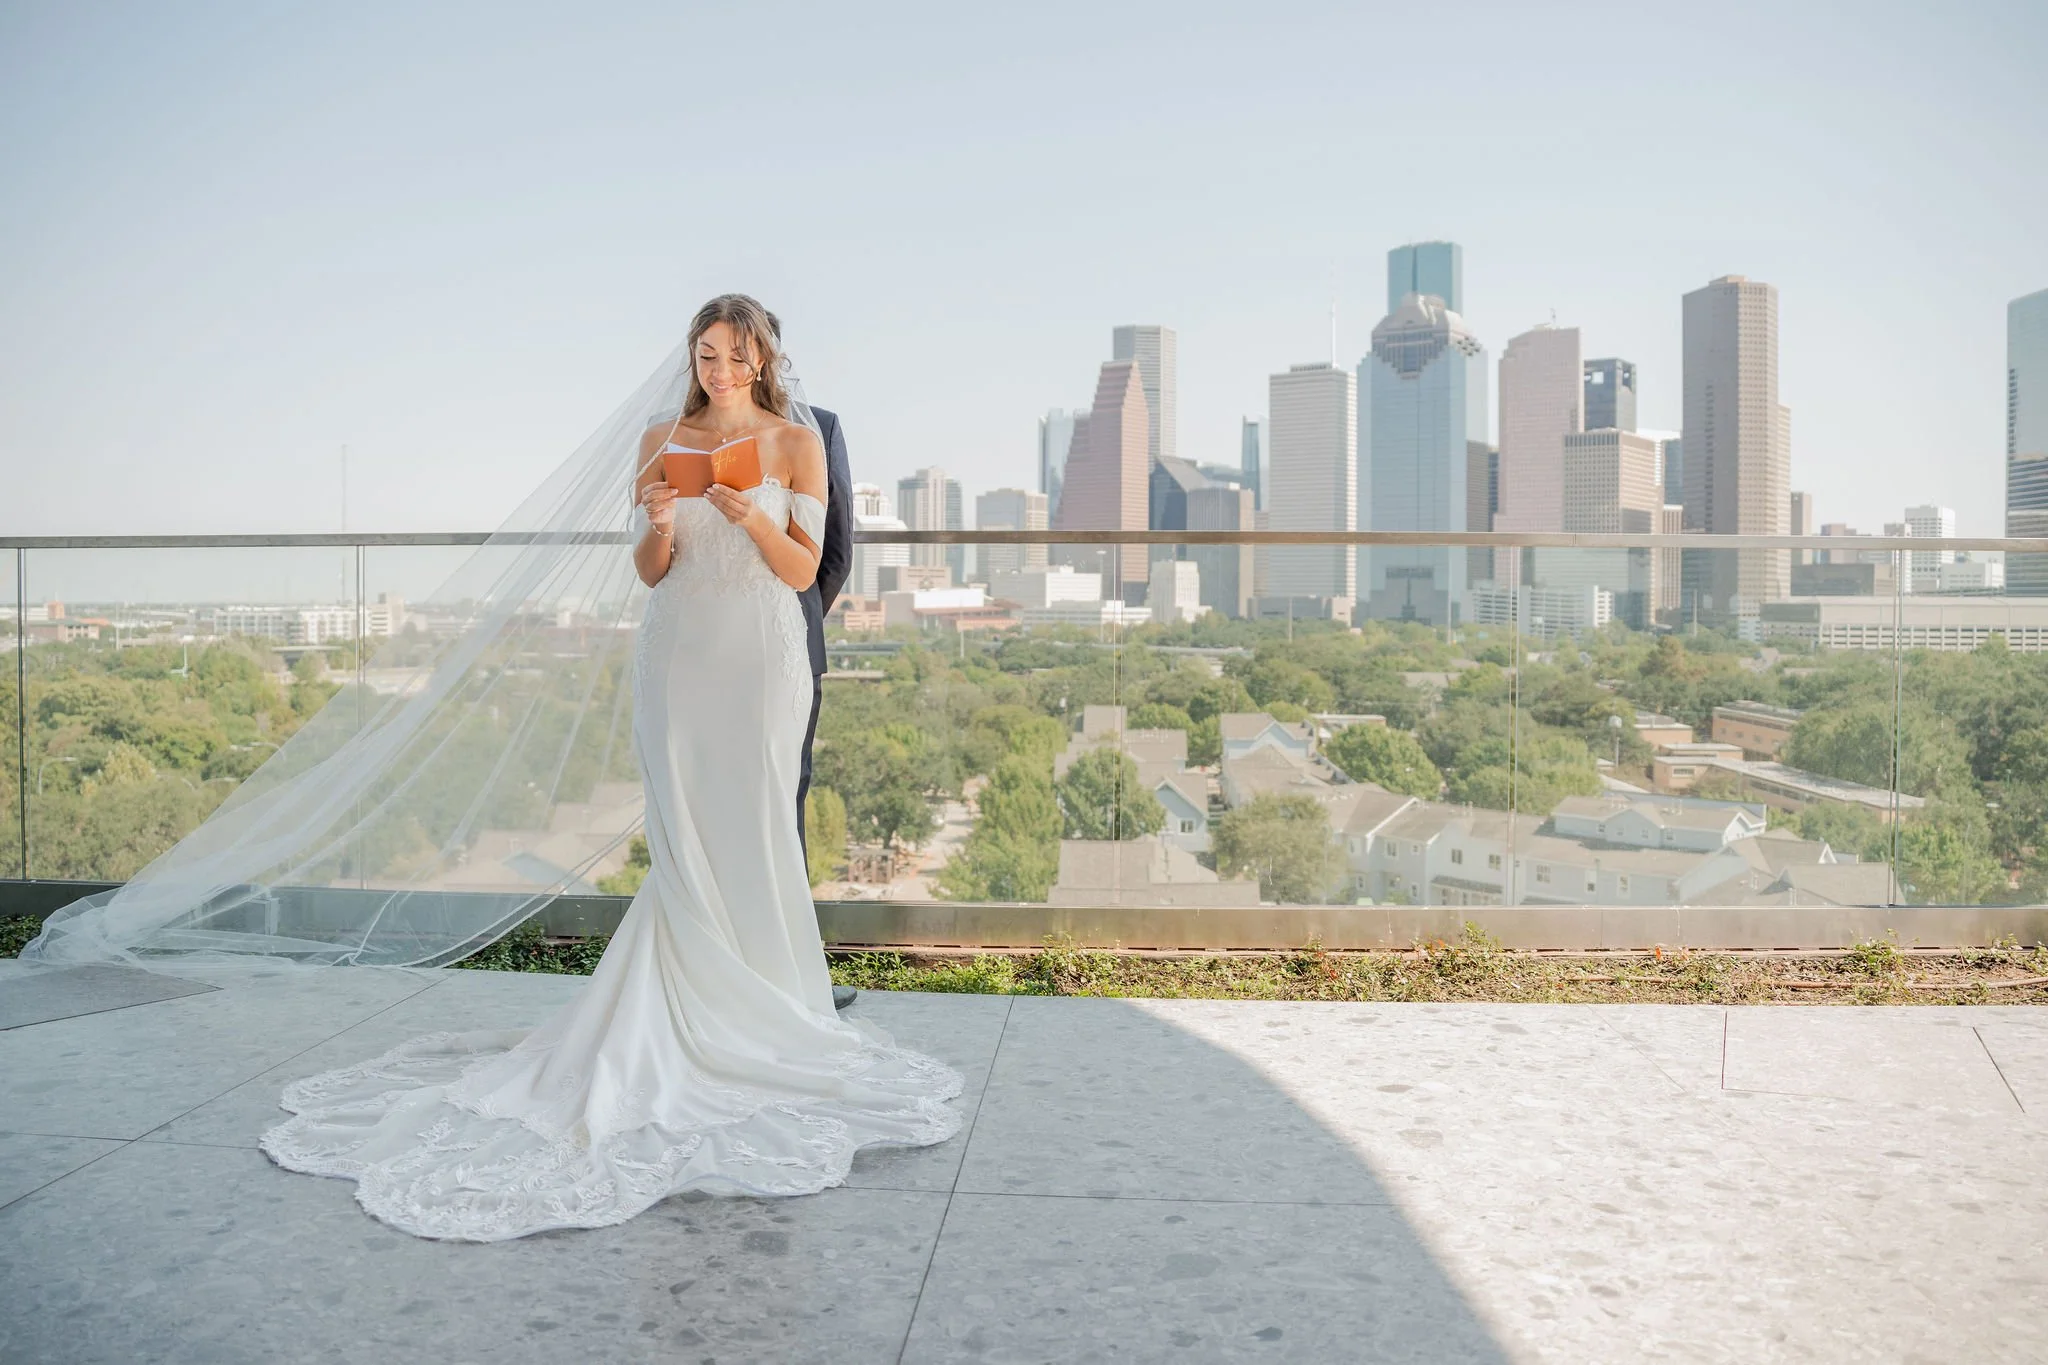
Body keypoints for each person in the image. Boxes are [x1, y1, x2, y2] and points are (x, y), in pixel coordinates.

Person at [255, 295, 963, 1241]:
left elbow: (804, 574)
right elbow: (649, 570)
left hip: (761, 657)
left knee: (754, 827)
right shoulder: (658, 435)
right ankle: (677, 1013)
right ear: (694, 358)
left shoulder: (797, 443)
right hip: (678, 653)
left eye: (736, 355)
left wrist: (751, 517)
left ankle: (766, 1006)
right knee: (685, 835)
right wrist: (665, 518)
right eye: (706, 354)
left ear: (764, 359)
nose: (720, 371)